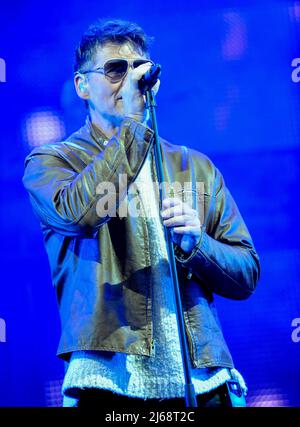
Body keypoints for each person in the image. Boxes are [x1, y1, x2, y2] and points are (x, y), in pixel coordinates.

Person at [22, 19, 260, 408]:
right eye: (115, 69)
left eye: (139, 70)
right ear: (82, 86)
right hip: (107, 384)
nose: (130, 80)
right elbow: (81, 214)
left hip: (201, 383)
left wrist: (198, 244)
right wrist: (134, 125)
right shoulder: (54, 162)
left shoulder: (193, 167)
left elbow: (246, 273)